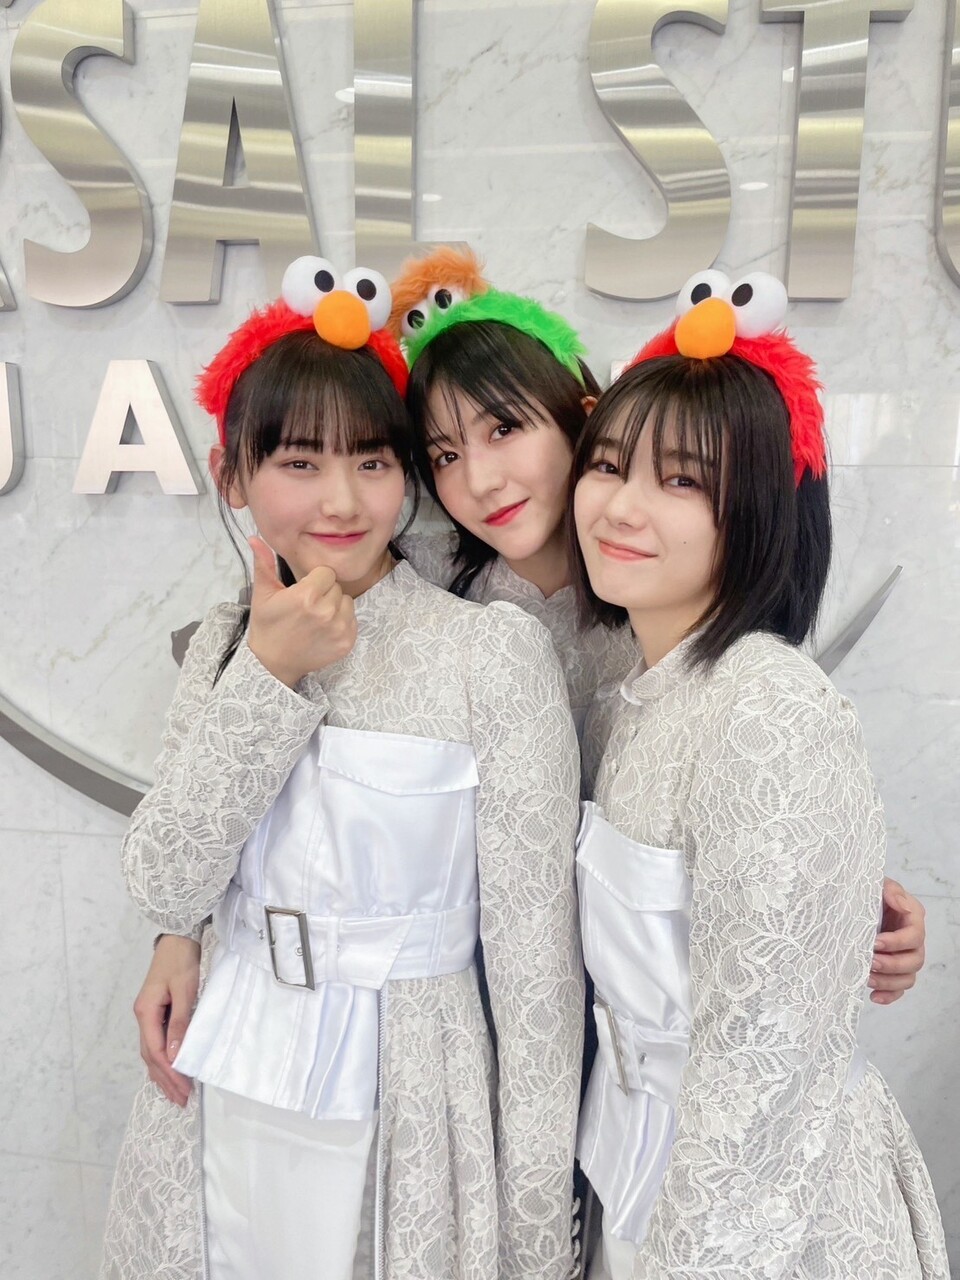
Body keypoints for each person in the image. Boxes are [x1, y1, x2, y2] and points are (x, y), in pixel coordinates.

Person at [135, 259, 925, 1121]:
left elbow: (744, 788)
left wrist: (839, 895)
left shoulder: (669, 594)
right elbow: (273, 786)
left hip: (652, 1027)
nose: (479, 481)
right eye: (443, 454)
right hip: (471, 1024)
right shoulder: (426, 587)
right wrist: (184, 931)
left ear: (584, 419)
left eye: (506, 429)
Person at [100, 257, 584, 1280]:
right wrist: (268, 675)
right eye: (299, 461)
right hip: (224, 1075)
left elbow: (537, 982)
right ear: (232, 475)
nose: (342, 499)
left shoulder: (486, 653)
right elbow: (164, 880)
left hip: (408, 1087)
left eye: (372, 460)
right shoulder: (229, 639)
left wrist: (538, 1238)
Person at [571, 270, 949, 1279]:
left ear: (762, 514)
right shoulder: (639, 690)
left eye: (682, 481)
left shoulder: (767, 706)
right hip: (640, 1174)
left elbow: (760, 1071)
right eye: (607, 465)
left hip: (761, 1218)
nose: (622, 506)